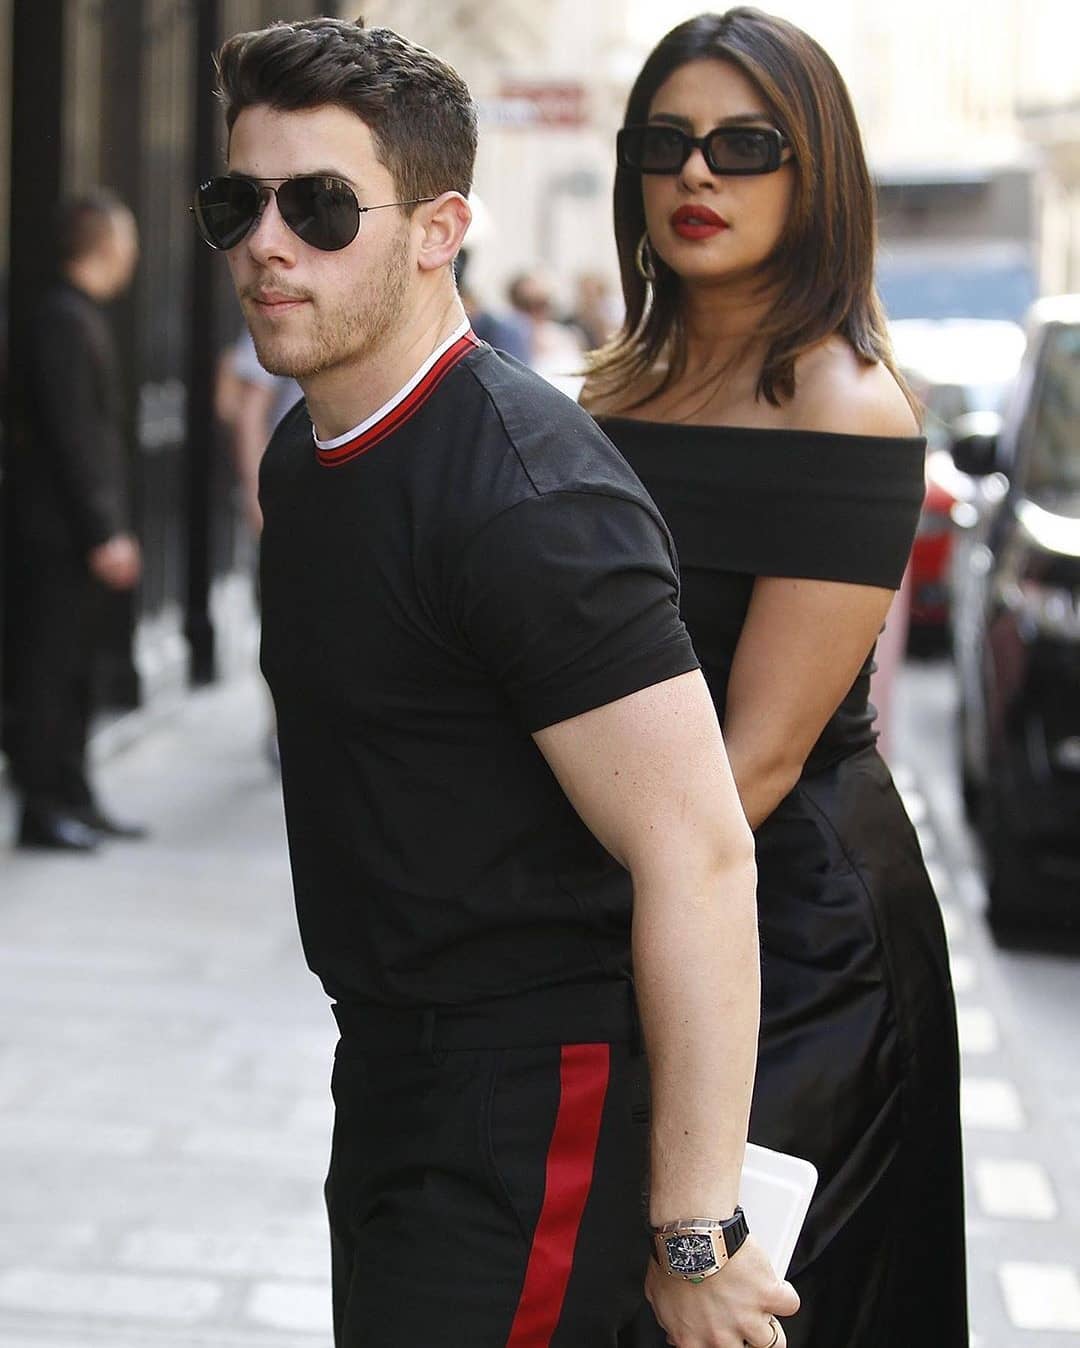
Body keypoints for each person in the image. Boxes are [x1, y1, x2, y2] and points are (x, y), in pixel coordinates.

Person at [192, 17, 798, 1347]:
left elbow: (698, 856)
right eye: (239, 202)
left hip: (535, 1100)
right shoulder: (307, 455)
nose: (268, 243)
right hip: (391, 1072)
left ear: (437, 226)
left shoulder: (532, 501)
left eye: (322, 205)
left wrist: (696, 1230)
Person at [582, 11, 968, 1348]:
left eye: (746, 146)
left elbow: (752, 766)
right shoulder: (609, 394)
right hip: (644, 896)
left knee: (748, 1318)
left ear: (818, 178)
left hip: (793, 932)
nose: (699, 176)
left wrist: (531, 909)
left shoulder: (846, 407)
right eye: (666, 144)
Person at [8, 190, 146, 851]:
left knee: (77, 671)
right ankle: (43, 808)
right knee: (48, 672)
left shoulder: (77, 315)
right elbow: (71, 437)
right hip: (58, 537)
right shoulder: (60, 319)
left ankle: (75, 794)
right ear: (107, 245)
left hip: (76, 535)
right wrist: (104, 532)